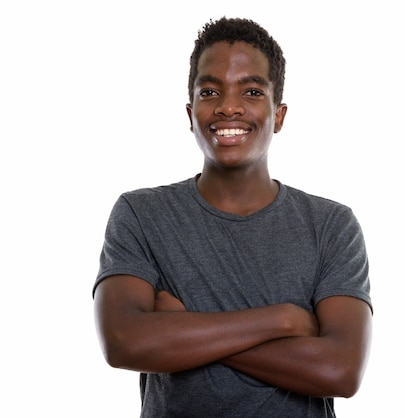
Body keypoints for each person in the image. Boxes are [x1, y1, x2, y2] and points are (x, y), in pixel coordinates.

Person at [93, 16, 372, 418]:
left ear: (279, 115)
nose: (228, 106)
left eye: (253, 91)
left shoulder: (331, 225)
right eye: (210, 91)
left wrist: (185, 327)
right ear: (190, 112)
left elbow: (339, 369)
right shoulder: (141, 214)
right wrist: (282, 319)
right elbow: (123, 342)